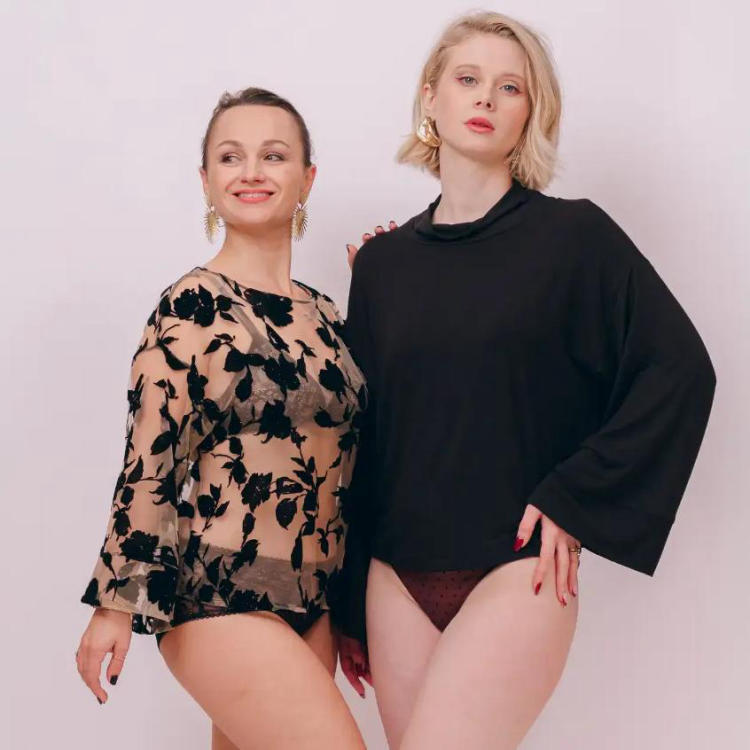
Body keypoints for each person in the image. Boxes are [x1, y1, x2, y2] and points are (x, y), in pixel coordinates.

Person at [332, 11, 717, 749]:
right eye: (468, 78)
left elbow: (678, 369)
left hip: (518, 566)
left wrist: (576, 497)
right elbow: (369, 439)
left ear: (531, 112)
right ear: (431, 96)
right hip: (394, 576)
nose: (486, 97)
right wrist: (349, 603)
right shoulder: (381, 266)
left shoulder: (575, 237)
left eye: (511, 87)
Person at [75, 87, 368, 750]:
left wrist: (390, 284)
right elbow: (150, 462)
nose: (252, 171)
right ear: (207, 181)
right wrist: (115, 605)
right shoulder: (193, 307)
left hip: (315, 601)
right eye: (231, 157)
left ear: (307, 179)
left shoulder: (328, 315)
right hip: (220, 594)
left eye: (274, 155)